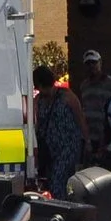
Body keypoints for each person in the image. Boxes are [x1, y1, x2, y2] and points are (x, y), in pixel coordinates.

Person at [33, 65, 84, 196]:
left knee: (58, 179)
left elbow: (80, 118)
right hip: (49, 149)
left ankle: (60, 207)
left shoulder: (67, 96)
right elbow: (35, 123)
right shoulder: (38, 100)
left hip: (67, 147)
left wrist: (87, 141)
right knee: (51, 180)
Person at [71, 49, 111, 163]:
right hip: (89, 133)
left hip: (106, 133)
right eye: (88, 63)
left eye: (94, 62)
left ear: (100, 62)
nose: (91, 66)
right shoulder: (84, 85)